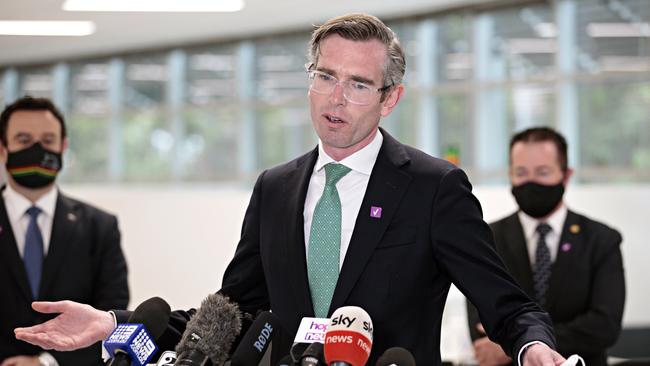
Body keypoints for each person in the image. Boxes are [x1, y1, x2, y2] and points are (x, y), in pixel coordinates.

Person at [14, 14, 565, 365]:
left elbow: (507, 304)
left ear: (389, 98)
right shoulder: (276, 188)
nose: (335, 98)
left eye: (357, 84)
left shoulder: (433, 187)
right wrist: (115, 324)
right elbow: (228, 313)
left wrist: (535, 348)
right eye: (325, 76)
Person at [466, 127, 625, 366]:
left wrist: (524, 343)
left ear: (566, 175)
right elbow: (480, 322)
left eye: (542, 172)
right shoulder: (487, 239)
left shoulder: (601, 240)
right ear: (510, 175)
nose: (531, 182)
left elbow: (604, 326)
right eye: (521, 172)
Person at [0, 96, 129, 366]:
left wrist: (47, 362)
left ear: (63, 147)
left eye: (47, 141)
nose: (36, 149)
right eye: (24, 140)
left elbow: (111, 318)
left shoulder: (100, 227)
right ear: (3, 149)